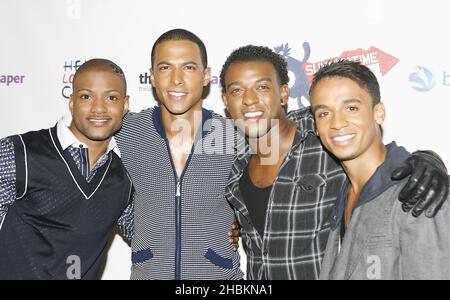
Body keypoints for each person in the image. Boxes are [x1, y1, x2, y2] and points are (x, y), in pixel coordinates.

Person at [220, 45, 449, 279]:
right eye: (237, 91)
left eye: (262, 87)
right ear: (226, 100)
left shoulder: (322, 136)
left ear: (284, 94)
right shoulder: (233, 166)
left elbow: (378, 160)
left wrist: (428, 161)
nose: (249, 100)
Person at [115, 29, 243, 280]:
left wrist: (241, 226)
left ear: (206, 76)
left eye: (188, 68)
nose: (176, 79)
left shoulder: (233, 136)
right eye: (165, 68)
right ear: (151, 77)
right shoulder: (126, 131)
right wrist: (144, 237)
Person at [309, 60, 450, 280]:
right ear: (316, 127)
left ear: (379, 113)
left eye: (351, 108)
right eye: (324, 113)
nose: (337, 123)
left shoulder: (419, 193)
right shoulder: (338, 193)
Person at [0, 59, 134, 279]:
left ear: (125, 104)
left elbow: (149, 238)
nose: (98, 108)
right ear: (72, 103)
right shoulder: (18, 153)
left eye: (111, 97)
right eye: (86, 97)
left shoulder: (125, 178)